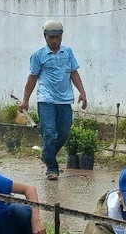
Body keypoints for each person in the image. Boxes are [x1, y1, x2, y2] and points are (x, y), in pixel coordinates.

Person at [20, 19, 88, 181]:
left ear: (61, 36)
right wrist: (25, 100)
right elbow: (32, 79)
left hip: (64, 100)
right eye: (52, 37)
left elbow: (74, 73)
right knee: (49, 132)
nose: (55, 40)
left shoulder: (68, 52)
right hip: (46, 100)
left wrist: (82, 93)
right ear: (45, 36)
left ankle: (47, 154)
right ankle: (52, 167)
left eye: (58, 37)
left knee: (64, 133)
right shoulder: (38, 56)